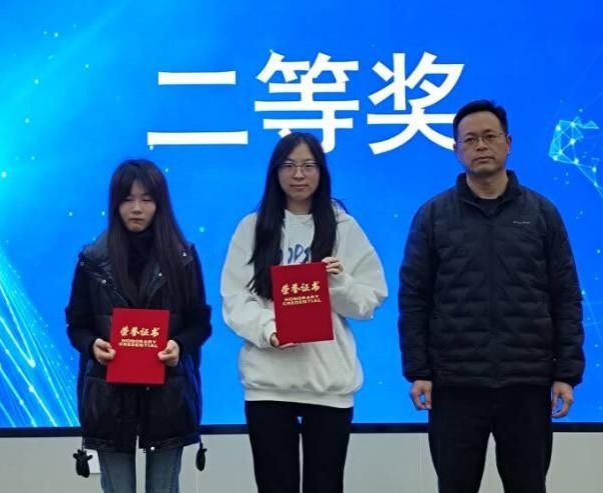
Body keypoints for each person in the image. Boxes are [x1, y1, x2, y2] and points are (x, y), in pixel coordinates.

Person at [398, 100, 585, 493]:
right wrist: (419, 371)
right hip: (455, 385)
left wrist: (566, 374)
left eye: (489, 136)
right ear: (456, 150)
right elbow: (414, 299)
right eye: (469, 140)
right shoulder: (433, 216)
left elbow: (565, 296)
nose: (480, 146)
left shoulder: (541, 214)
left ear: (508, 143)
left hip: (526, 383)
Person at [221, 132, 388, 493]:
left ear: (322, 172)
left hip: (328, 384)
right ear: (275, 172)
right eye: (289, 165)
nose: (299, 175)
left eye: (309, 166)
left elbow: (369, 301)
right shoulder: (252, 228)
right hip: (268, 386)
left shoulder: (344, 227)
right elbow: (235, 298)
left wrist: (338, 283)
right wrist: (270, 330)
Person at [66, 159, 212, 493]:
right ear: (115, 203)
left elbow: (200, 324)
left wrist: (179, 346)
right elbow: (77, 324)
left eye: (146, 199)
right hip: (108, 395)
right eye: (127, 199)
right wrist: (92, 346)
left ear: (160, 204)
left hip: (169, 394)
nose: (136, 209)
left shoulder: (183, 258)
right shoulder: (92, 260)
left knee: (164, 488)